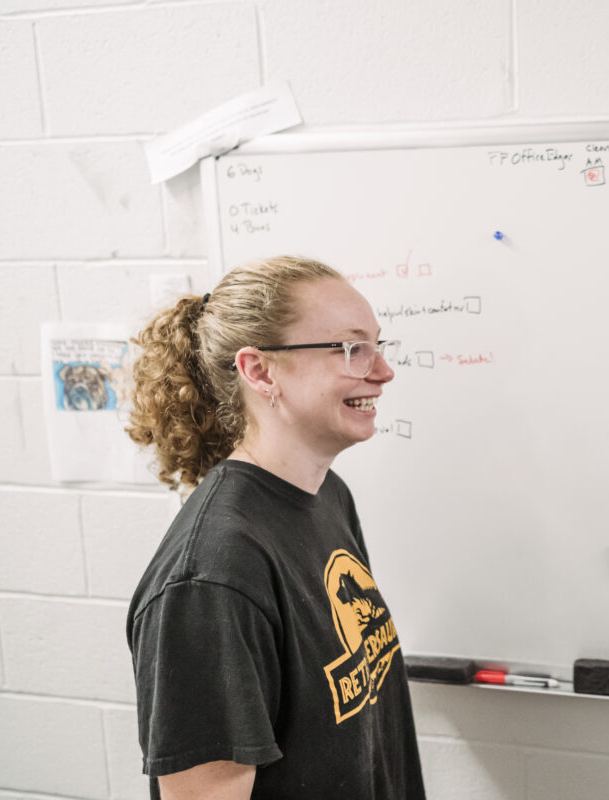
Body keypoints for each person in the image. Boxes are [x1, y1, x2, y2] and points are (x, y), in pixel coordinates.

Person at [125, 256, 425, 799]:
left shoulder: (328, 496)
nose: (382, 372)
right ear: (260, 371)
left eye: (378, 346)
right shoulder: (211, 578)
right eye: (352, 349)